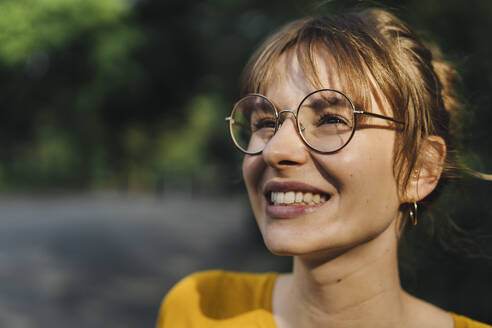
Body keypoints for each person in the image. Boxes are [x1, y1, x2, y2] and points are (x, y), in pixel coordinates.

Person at [156, 7, 492, 328]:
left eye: (332, 119)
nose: (276, 150)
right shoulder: (199, 309)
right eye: (265, 122)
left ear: (420, 168)